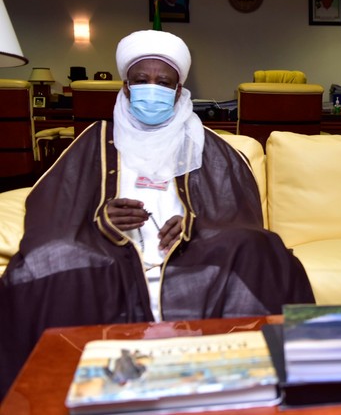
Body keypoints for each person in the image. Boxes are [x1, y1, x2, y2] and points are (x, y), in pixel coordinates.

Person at [0, 30, 315, 397]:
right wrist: (98, 219)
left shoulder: (209, 145)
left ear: (179, 90)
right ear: (126, 87)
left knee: (264, 248)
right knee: (43, 260)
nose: (152, 89)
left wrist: (199, 225)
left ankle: (277, 383)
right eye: (141, 80)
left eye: (163, 82)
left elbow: (241, 216)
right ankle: (47, 388)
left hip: (193, 254)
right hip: (108, 254)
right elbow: (53, 208)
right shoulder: (94, 138)